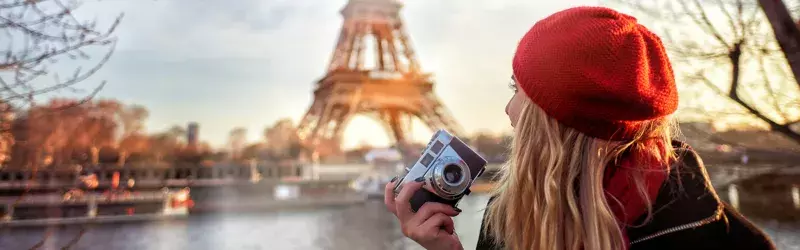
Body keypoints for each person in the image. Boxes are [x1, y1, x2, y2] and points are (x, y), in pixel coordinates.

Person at [383, 6, 776, 250]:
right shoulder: (713, 230)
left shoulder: (512, 220)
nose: (508, 110)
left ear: (554, 125)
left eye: (518, 91)